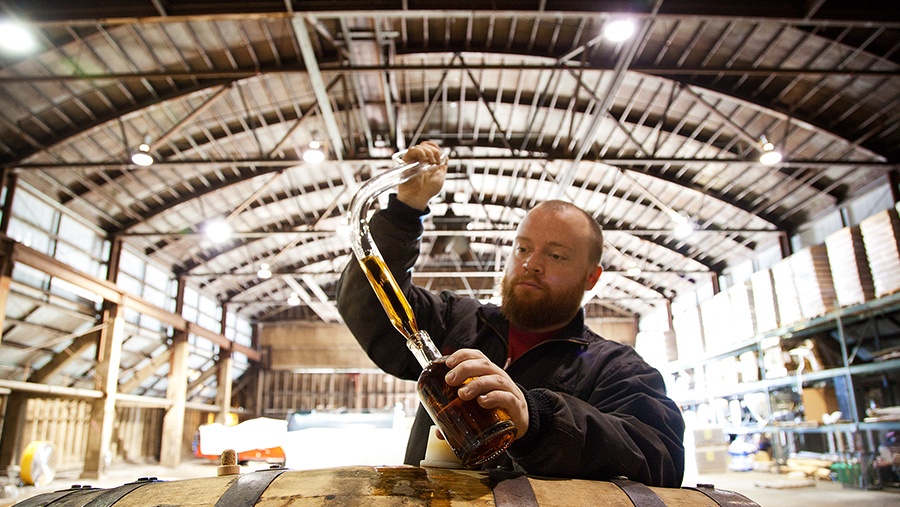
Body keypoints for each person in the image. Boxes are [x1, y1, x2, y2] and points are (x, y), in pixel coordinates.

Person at [336, 141, 685, 487]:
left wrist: (536, 419)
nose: (531, 264)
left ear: (591, 276)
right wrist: (406, 210)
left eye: (556, 256)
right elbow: (369, 306)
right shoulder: (458, 321)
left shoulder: (613, 368)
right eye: (523, 248)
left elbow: (660, 455)